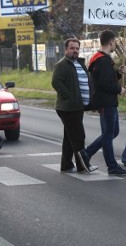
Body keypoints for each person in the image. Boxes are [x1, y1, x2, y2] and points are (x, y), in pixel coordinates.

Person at [82, 30, 126, 176]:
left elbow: (106, 78)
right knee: (109, 133)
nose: (115, 44)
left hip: (107, 101)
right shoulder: (102, 60)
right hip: (106, 101)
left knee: (112, 132)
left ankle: (87, 153)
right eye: (114, 41)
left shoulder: (102, 59)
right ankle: (111, 165)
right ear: (110, 42)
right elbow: (104, 83)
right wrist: (118, 89)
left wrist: (117, 73)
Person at [51, 38, 98, 173]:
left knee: (69, 137)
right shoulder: (62, 65)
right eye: (72, 48)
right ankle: (83, 165)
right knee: (78, 137)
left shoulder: (80, 63)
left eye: (77, 48)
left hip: (79, 107)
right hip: (68, 108)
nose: (75, 51)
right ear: (66, 49)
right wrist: (69, 97)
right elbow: (56, 82)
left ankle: (66, 164)